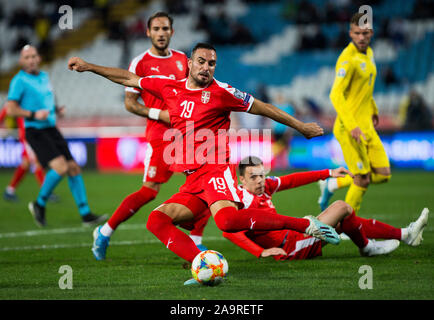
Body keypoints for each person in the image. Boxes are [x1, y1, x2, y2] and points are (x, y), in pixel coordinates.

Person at [68, 43, 341, 279]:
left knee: (226, 222)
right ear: (189, 64)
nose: (206, 67)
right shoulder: (168, 87)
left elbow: (264, 108)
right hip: (192, 179)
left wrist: (300, 126)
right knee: (156, 221)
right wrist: (89, 66)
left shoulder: (222, 92)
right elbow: (129, 78)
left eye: (212, 63)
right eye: (201, 61)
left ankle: (305, 225)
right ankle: (201, 263)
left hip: (215, 171)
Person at [91, 12, 211, 261]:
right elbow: (130, 103)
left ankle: (196, 243)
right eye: (156, 29)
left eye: (165, 28)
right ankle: (104, 232)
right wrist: (160, 114)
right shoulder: (140, 63)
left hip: (187, 134)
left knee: (207, 182)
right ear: (148, 32)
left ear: (172, 32)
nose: (161, 33)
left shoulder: (182, 60)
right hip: (159, 136)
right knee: (150, 190)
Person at [223, 156, 428, 262]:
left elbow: (293, 180)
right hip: (290, 249)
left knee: (344, 221)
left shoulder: (265, 186)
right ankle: (367, 247)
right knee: (342, 207)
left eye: (262, 175)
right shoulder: (241, 201)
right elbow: (228, 231)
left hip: (296, 234)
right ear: (242, 179)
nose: (260, 180)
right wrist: (260, 252)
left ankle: (403, 234)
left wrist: (328, 172)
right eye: (254, 177)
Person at [5, 45, 107, 227]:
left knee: (74, 168)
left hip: (51, 128)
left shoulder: (44, 77)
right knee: (60, 167)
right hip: (35, 130)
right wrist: (32, 114)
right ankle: (39, 203)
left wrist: (56, 110)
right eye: (26, 57)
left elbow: (47, 100)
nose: (30, 60)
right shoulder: (19, 81)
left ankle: (85, 214)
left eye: (33, 56)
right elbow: (11, 109)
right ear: (21, 61)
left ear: (39, 58)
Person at [318, 13, 391, 213]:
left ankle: (333, 184)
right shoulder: (347, 59)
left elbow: (364, 88)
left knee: (384, 174)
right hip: (350, 128)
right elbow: (336, 94)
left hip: (366, 123)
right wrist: (352, 125)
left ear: (371, 33)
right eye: (357, 33)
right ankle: (346, 225)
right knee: (362, 179)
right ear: (350, 33)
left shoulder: (369, 54)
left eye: (365, 33)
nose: (361, 37)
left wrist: (373, 109)